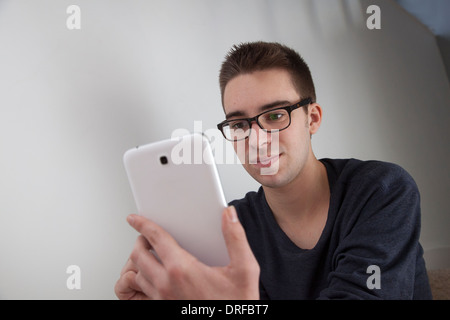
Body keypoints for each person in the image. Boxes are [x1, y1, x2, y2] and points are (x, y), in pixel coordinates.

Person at [114, 41, 432, 300]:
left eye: (275, 116)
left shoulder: (382, 190)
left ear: (313, 118)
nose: (256, 140)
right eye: (239, 124)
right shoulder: (230, 227)